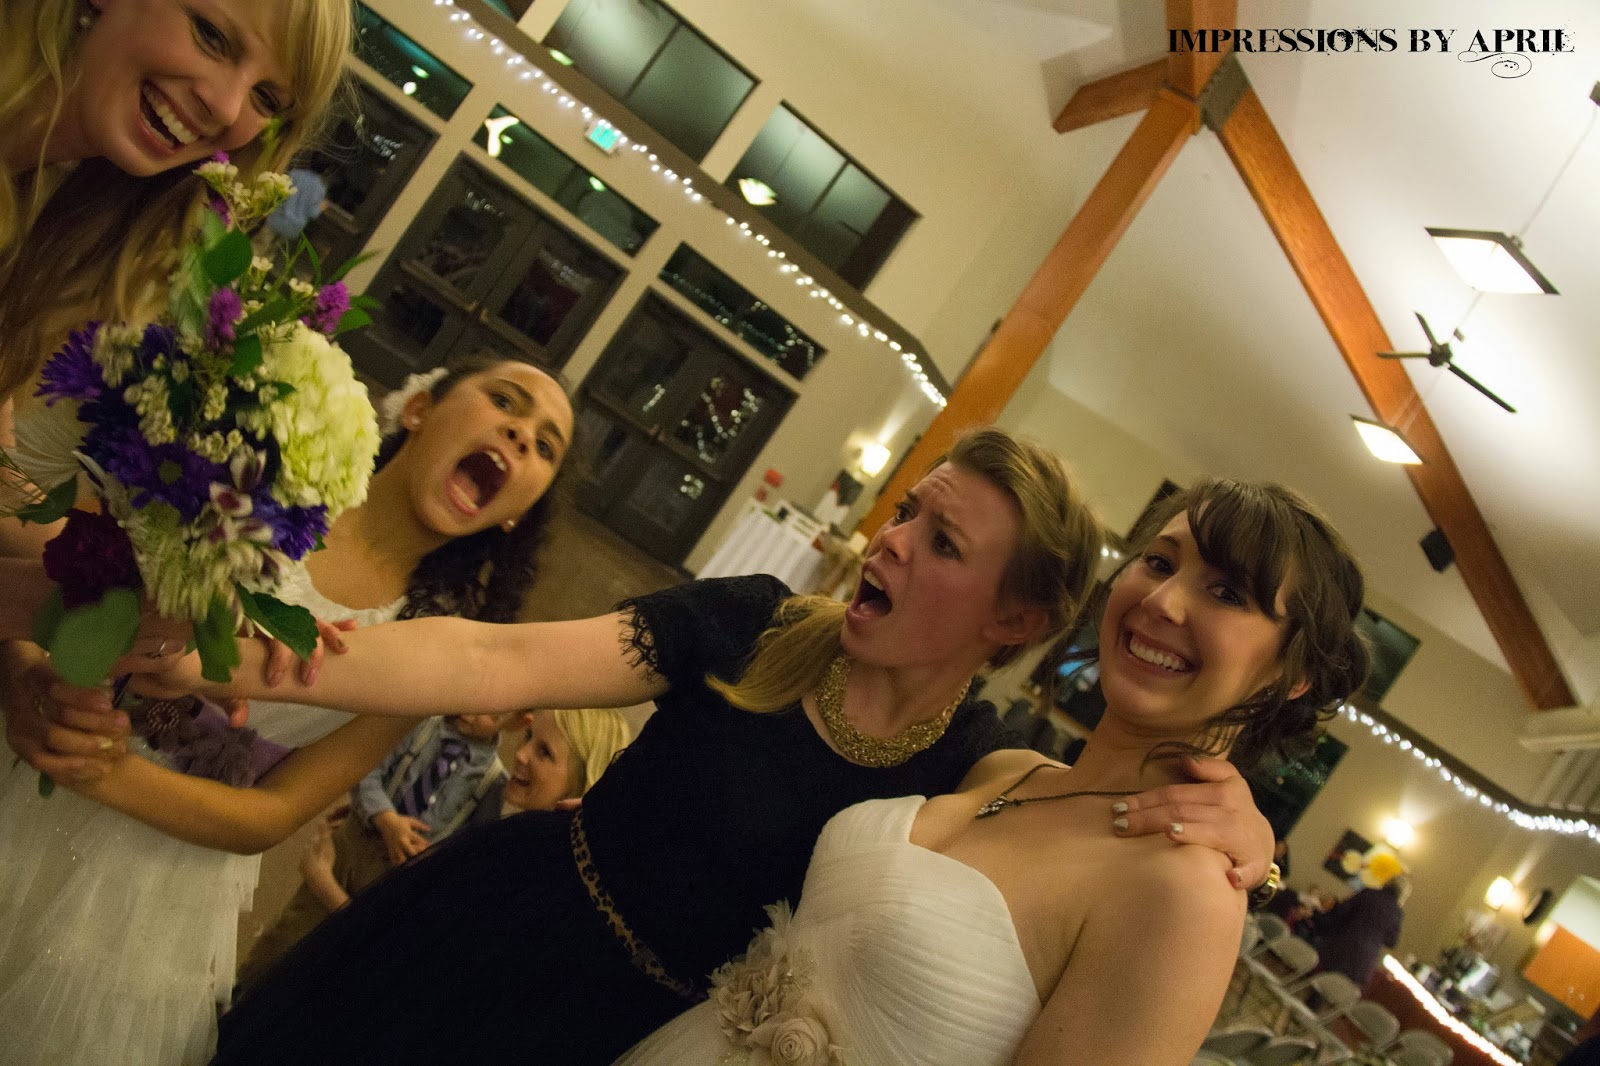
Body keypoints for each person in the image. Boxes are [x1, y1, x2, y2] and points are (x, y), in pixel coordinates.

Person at [104, 426, 1277, 1065]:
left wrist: (1245, 831)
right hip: (484, 940)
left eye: (943, 542)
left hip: (638, 1041)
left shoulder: (978, 769)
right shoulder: (751, 624)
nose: (890, 539)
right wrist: (232, 649)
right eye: (908, 509)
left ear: (1013, 620)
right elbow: (492, 662)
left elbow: (1090, 844)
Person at [619, 476, 1371, 1066]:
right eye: (1158, 562)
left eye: (1227, 593)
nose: (1163, 601)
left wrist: (1257, 865)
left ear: (1293, 675)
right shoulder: (1003, 767)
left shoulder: (1183, 892)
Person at [0, 354, 576, 1064]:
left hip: (147, 890)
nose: (521, 435)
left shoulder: (429, 647)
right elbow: (60, 563)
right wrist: (23, 672)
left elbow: (271, 814)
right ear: (420, 408)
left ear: (518, 511)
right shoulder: (262, 485)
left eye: (545, 445)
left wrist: (104, 769)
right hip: (27, 760)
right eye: (506, 403)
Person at [239, 707, 631, 984]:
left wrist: (323, 882)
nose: (521, 754)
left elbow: (407, 951)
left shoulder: (516, 867)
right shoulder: (509, 839)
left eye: (544, 752)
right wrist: (378, 815)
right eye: (529, 740)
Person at [1309, 874, 1411, 989]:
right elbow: (1392, 942)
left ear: (1388, 883)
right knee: (1337, 994)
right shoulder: (1397, 913)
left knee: (1317, 986)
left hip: (1341, 950)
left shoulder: (1369, 894)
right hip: (1363, 966)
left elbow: (1342, 910)